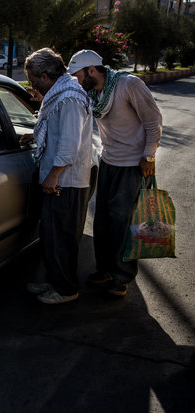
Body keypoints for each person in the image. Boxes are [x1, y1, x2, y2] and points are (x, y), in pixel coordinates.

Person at [66, 49, 162, 297]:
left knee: (123, 222)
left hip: (133, 164)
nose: (74, 80)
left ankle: (121, 277)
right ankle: (105, 269)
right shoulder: (91, 93)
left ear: (91, 70)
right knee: (103, 220)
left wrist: (149, 155)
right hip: (108, 161)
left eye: (76, 74)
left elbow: (153, 120)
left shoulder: (128, 85)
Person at [23, 48, 94, 304]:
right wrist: (36, 134)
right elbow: (57, 127)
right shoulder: (60, 94)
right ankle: (54, 281)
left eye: (33, 80)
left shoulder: (70, 98)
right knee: (52, 235)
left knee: (62, 237)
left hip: (66, 181)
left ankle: (66, 289)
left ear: (44, 75)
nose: (32, 84)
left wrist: (53, 175)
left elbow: (69, 144)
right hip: (61, 178)